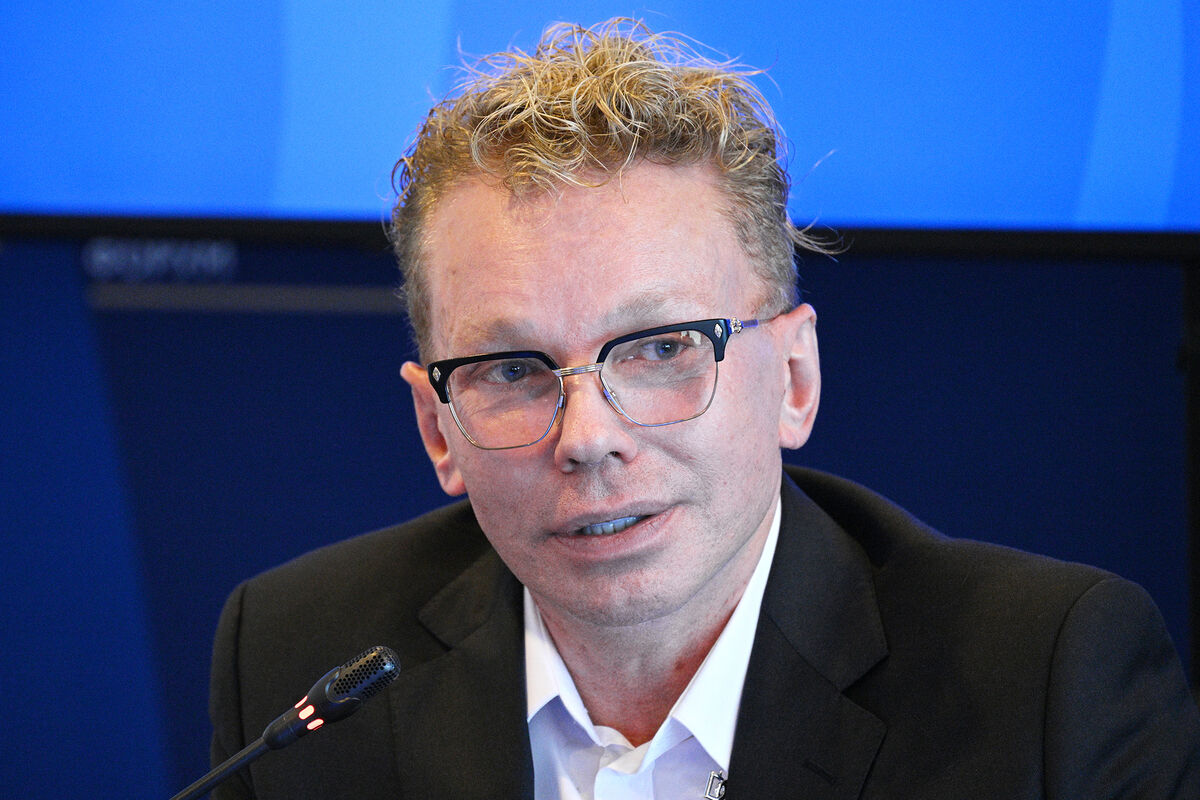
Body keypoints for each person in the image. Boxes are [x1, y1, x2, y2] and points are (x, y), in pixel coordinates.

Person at [207, 18, 1200, 799]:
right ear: (438, 429)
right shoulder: (299, 662)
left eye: (661, 348)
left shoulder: (1046, 687)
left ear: (794, 378)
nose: (589, 438)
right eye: (512, 370)